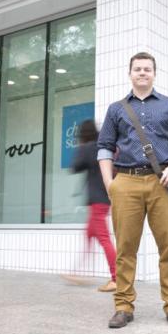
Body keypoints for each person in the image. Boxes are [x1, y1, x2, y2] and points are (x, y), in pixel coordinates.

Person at [97, 51, 168, 329]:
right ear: (130, 73)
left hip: (163, 180)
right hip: (125, 181)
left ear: (154, 73)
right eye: (137, 69)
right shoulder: (116, 109)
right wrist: (109, 184)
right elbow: (104, 146)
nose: (142, 73)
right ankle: (123, 306)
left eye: (147, 69)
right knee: (125, 248)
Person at [63, 120, 117, 292]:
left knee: (104, 239)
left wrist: (80, 147)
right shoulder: (102, 148)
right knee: (89, 235)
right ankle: (78, 273)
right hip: (103, 200)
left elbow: (74, 167)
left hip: (96, 201)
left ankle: (117, 277)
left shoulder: (87, 148)